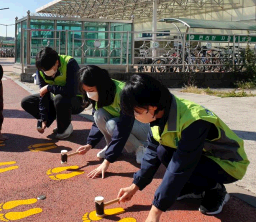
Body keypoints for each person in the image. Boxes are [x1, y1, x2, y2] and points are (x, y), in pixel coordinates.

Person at [116, 74, 249, 221]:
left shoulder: (194, 120)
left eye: (137, 112)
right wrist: (134, 186)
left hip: (229, 164)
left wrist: (154, 214)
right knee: (162, 151)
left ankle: (215, 189)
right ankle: (195, 187)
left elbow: (180, 166)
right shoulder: (159, 115)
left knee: (179, 164)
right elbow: (152, 153)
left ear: (152, 106)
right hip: (203, 157)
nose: (135, 116)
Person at [75, 66, 149, 178]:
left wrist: (107, 161)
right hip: (124, 125)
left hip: (144, 128)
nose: (89, 94)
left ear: (101, 85)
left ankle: (141, 147)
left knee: (112, 124)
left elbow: (123, 127)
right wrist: (89, 144)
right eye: (85, 91)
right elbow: (97, 121)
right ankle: (112, 147)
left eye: (90, 90)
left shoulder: (123, 93)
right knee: (99, 114)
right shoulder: (99, 94)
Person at [21, 47, 84, 139]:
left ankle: (65, 127)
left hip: (76, 100)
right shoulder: (41, 69)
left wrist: (50, 87)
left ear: (57, 62)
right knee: (26, 102)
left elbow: (71, 91)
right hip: (56, 100)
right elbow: (44, 95)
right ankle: (55, 119)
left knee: (59, 98)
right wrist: (44, 118)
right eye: (43, 70)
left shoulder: (70, 63)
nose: (46, 72)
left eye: (48, 69)